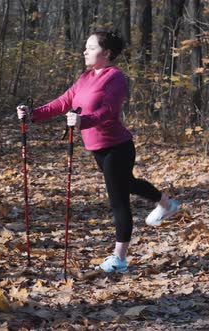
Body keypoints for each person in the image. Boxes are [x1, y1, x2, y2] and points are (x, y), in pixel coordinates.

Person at [16, 31, 179, 273]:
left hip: (118, 147)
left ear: (107, 53)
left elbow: (108, 112)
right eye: (86, 47)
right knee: (129, 183)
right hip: (99, 150)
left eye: (91, 48)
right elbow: (62, 102)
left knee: (118, 200)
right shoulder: (85, 78)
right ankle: (166, 203)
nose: (85, 51)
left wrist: (83, 121)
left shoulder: (115, 78)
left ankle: (119, 259)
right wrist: (32, 114)